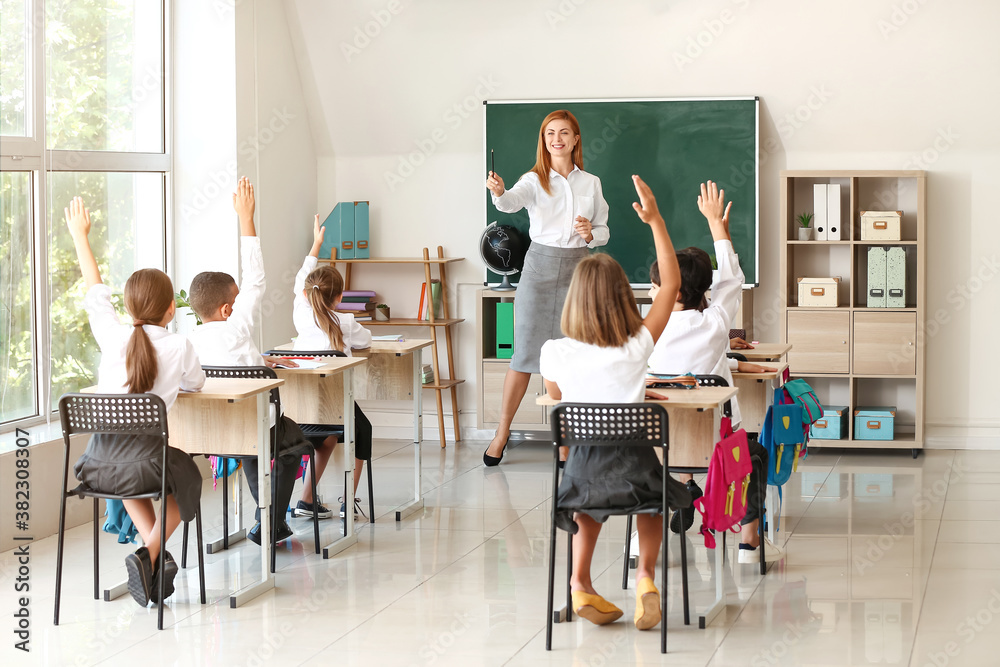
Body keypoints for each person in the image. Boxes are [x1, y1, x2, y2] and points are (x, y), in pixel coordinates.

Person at [539, 175, 687, 630]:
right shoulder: (637, 344)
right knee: (653, 499)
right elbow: (671, 283)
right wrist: (655, 220)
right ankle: (645, 578)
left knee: (588, 497)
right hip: (638, 470)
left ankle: (580, 583)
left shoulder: (554, 351)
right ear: (624, 295)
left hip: (582, 474)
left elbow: (559, 404)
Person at [65, 196, 205, 607]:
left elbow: (95, 291)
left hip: (98, 462)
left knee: (130, 477)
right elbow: (196, 385)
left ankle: (152, 557)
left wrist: (80, 237)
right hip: (145, 461)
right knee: (188, 481)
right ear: (170, 309)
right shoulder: (179, 344)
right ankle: (148, 553)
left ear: (127, 307)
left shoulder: (110, 336)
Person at [646, 180, 784, 564]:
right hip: (718, 447)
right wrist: (717, 227)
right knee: (755, 457)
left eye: (658, 282)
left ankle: (685, 489)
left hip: (660, 448)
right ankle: (748, 544)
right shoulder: (715, 323)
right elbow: (730, 281)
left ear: (669, 291)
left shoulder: (643, 329)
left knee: (679, 446)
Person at [186, 177, 312, 545]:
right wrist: (246, 218)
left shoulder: (189, 342)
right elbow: (255, 279)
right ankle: (270, 519)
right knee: (290, 442)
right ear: (228, 309)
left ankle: (268, 520)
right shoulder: (236, 325)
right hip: (251, 426)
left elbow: (231, 364)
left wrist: (261, 361)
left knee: (255, 444)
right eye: (236, 302)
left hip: (211, 434)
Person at [483, 109, 609, 466]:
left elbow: (603, 229)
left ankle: (565, 441)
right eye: (550, 132)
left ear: (575, 139)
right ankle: (502, 432)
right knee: (523, 354)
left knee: (571, 357)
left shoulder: (592, 183)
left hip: (577, 269)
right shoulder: (534, 179)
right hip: (538, 269)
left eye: (564, 132)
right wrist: (498, 191)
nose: (557, 138)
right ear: (544, 139)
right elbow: (510, 202)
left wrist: (592, 234)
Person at [292, 214, 374, 521]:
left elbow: (302, 280)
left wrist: (316, 245)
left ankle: (306, 501)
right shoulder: (346, 322)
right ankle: (347, 501)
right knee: (362, 430)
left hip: (299, 407)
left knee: (325, 438)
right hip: (335, 404)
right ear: (340, 298)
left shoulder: (300, 313)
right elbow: (365, 343)